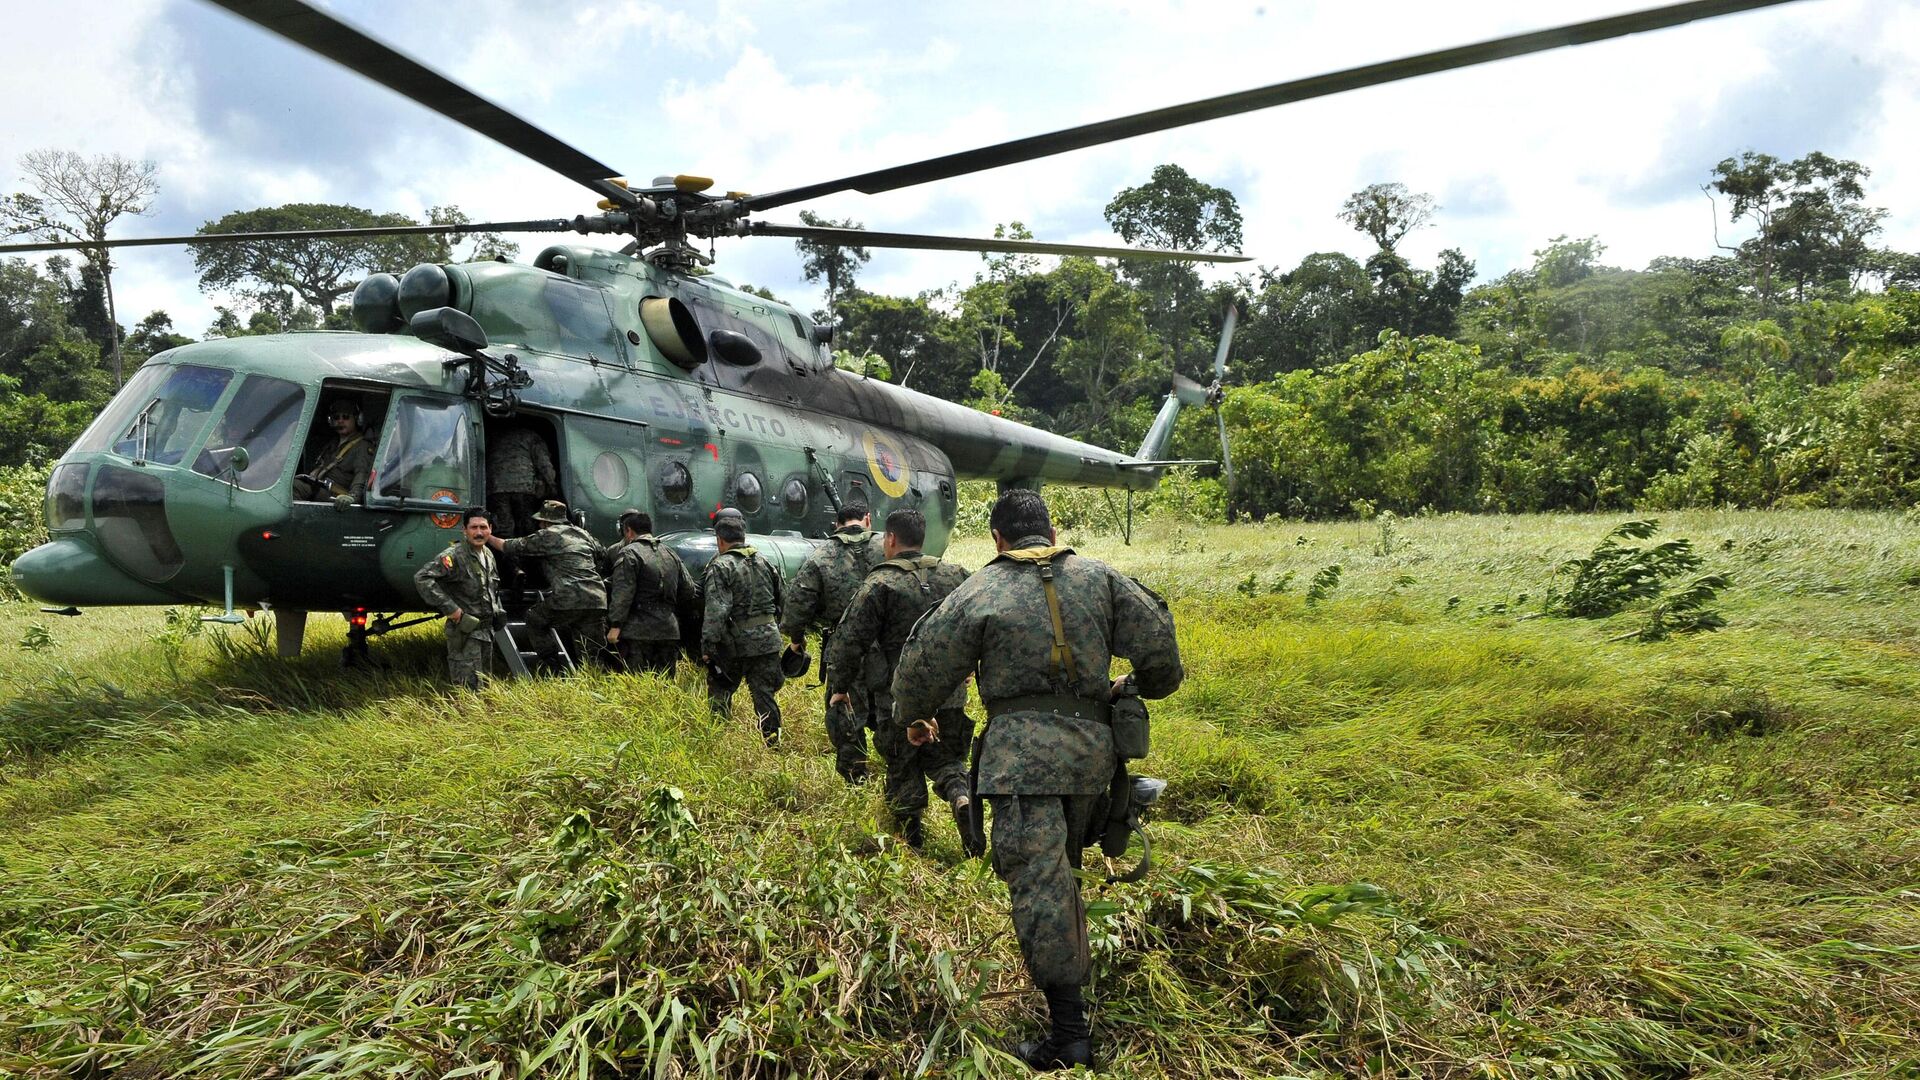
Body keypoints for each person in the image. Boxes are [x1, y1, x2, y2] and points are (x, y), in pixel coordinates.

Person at [892, 489, 1183, 1071]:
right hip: (1093, 761)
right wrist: (1128, 687)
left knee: (1041, 888)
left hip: (1021, 766)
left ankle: (1069, 1037)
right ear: (1051, 534)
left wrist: (914, 719)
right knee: (1065, 872)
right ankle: (1078, 978)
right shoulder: (1101, 579)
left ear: (998, 539)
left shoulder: (979, 590)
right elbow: (1164, 662)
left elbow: (917, 673)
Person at [827, 508, 978, 853]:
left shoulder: (880, 584)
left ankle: (913, 844)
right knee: (948, 760)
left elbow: (849, 642)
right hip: (950, 695)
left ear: (890, 539)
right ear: (922, 537)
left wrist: (840, 688)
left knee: (903, 766)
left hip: (897, 699)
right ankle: (960, 796)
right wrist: (972, 666)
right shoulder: (956, 576)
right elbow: (980, 625)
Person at [779, 500, 885, 783]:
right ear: (868, 519)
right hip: (890, 646)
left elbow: (795, 610)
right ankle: (900, 775)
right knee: (892, 709)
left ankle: (856, 778)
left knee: (846, 712)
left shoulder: (821, 555)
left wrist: (797, 642)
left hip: (845, 647)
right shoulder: (888, 546)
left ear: (836, 524)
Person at [487, 499, 607, 670]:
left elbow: (510, 546)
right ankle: (594, 684)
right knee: (593, 655)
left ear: (544, 521)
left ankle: (553, 666)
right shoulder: (582, 533)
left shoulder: (548, 534)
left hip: (569, 597)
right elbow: (602, 554)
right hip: (597, 598)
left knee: (535, 619)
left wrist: (487, 536)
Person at [702, 512, 785, 744]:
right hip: (768, 641)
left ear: (720, 539)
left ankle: (718, 742)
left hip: (735, 645)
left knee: (720, 689)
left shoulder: (720, 566)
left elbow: (716, 610)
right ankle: (773, 744)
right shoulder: (764, 561)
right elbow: (782, 600)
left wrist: (708, 646)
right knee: (764, 696)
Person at [413, 508, 502, 690]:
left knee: (485, 685)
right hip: (465, 631)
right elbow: (422, 578)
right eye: (474, 527)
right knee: (467, 688)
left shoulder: (488, 555)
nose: (479, 532)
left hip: (486, 631)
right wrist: (452, 610)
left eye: (483, 527)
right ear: (464, 530)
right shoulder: (454, 555)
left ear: (490, 529)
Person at [605, 509, 699, 675]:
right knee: (665, 687)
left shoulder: (629, 553)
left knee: (636, 687)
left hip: (638, 632)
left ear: (628, 531)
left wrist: (615, 625)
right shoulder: (670, 552)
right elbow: (689, 590)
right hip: (669, 631)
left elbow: (623, 593)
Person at [293, 399, 374, 505]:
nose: (340, 421)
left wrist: (353, 497)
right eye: (336, 417)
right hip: (321, 488)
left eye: (345, 417)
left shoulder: (362, 446)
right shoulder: (332, 444)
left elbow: (362, 474)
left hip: (339, 496)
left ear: (357, 419)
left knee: (296, 486)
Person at [486, 423, 558, 538]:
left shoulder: (494, 436)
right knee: (526, 527)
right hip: (524, 488)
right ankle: (524, 553)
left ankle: (505, 554)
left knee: (504, 527)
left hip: (496, 488)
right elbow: (544, 465)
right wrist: (552, 487)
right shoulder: (533, 437)